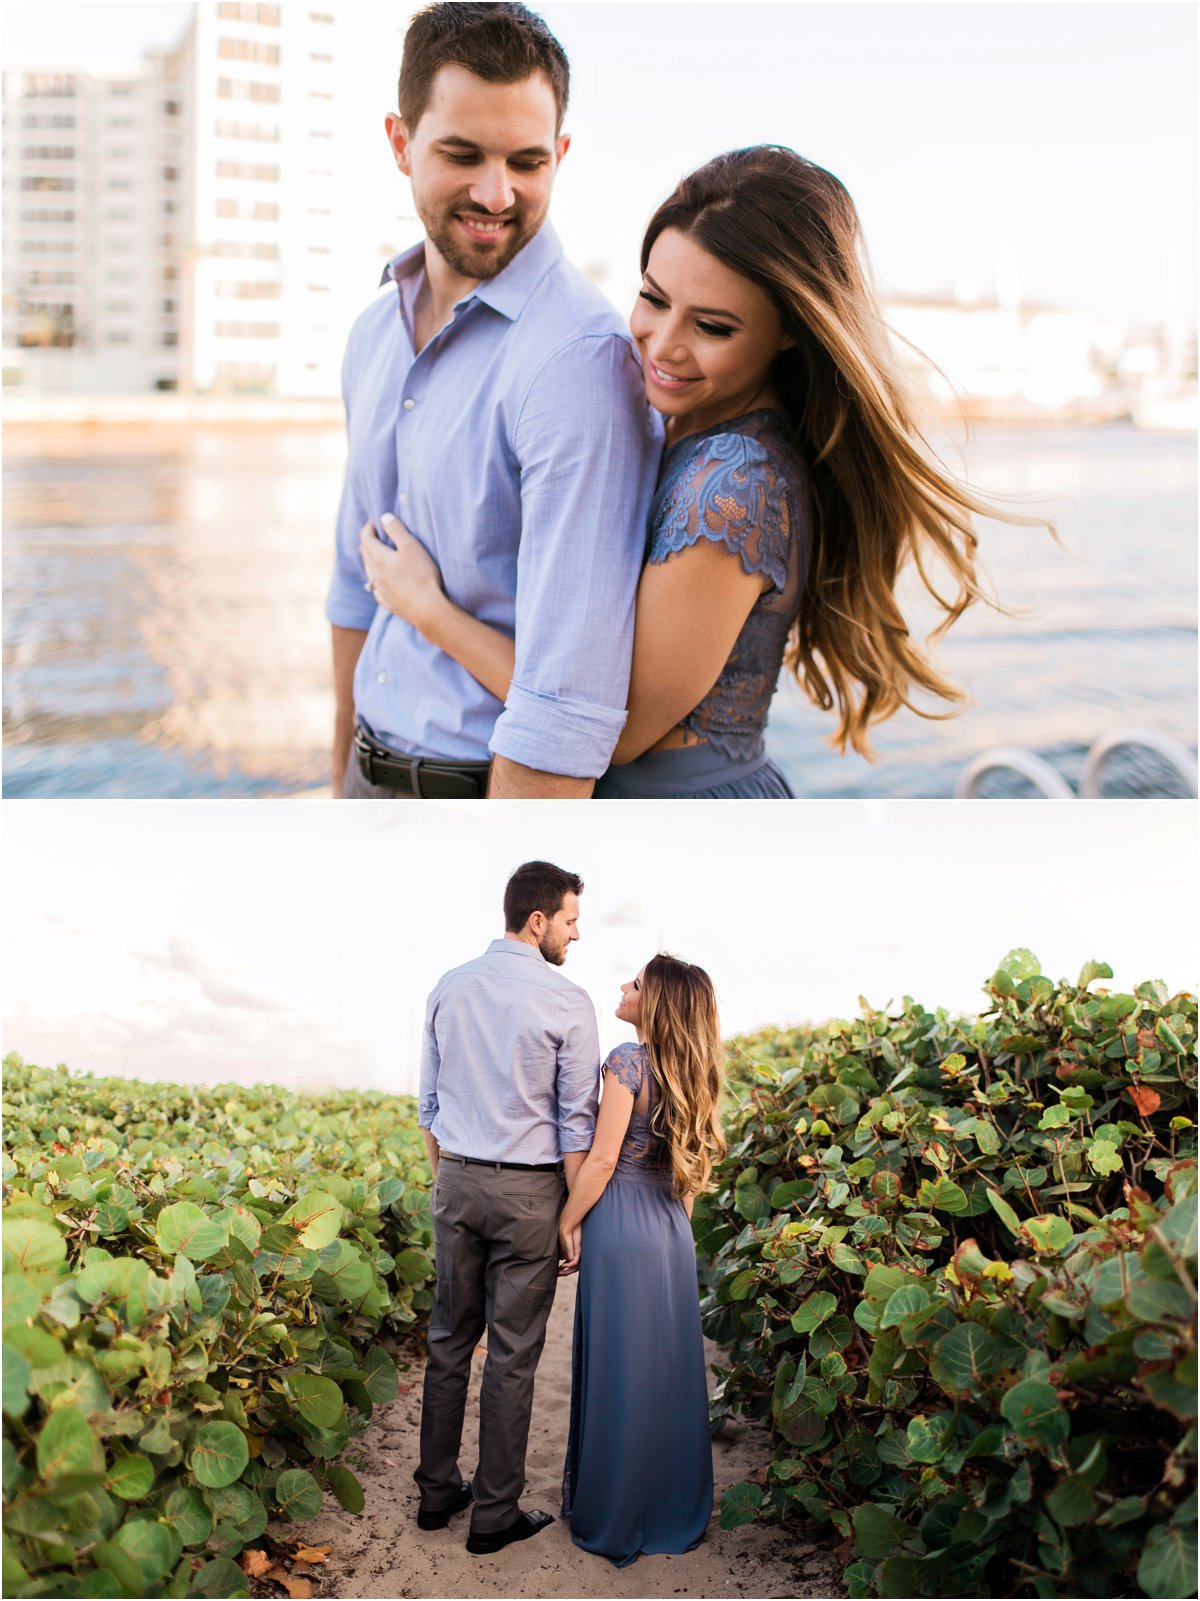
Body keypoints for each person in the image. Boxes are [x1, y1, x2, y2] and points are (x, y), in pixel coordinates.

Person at [362, 144, 1047, 799]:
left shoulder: (735, 485)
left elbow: (618, 727)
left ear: (789, 331)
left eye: (713, 327)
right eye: (654, 299)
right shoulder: (678, 426)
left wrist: (429, 609)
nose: (663, 345)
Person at [327, 2, 660, 800]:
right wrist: (338, 781)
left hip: (479, 794)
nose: (496, 191)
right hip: (368, 776)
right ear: (400, 144)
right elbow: (352, 580)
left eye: (527, 162)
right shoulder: (373, 334)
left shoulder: (580, 361)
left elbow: (563, 709)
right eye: (463, 153)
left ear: (561, 155)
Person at [415, 860, 599, 1554]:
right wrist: (570, 1215)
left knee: (446, 1341)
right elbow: (576, 1124)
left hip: (457, 1179)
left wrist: (449, 1179)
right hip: (530, 1193)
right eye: (572, 919)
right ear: (538, 919)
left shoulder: (448, 985)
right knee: (513, 1356)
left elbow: (428, 1104)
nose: (576, 934)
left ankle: (436, 1495)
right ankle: (492, 1515)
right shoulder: (567, 1001)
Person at [555, 955, 725, 1566]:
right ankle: (671, 1506)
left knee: (619, 1367)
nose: (622, 989)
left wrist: (566, 1222)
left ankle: (620, 1510)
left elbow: (601, 1161)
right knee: (666, 1370)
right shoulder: (691, 1070)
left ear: (654, 1004)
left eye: (634, 984)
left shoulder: (627, 1063)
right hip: (671, 1229)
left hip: (623, 1224)